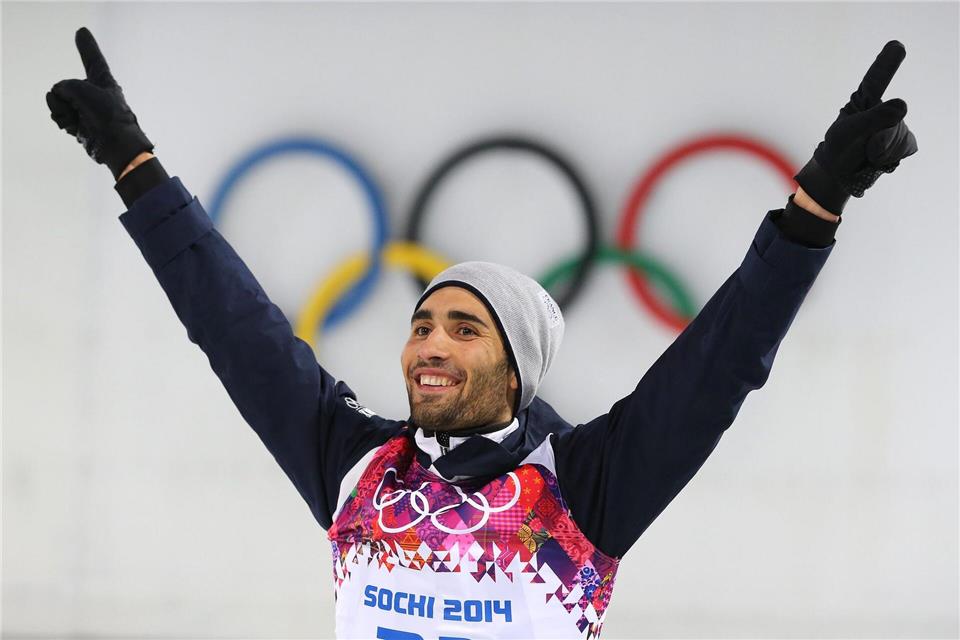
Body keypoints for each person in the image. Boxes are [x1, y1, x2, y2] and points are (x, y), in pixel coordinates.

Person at [47, 27, 917, 639]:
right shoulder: (353, 464)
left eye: (464, 328)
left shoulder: (585, 486)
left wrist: (814, 207)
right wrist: (136, 168)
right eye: (422, 322)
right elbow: (233, 327)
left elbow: (723, 362)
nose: (429, 343)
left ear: (516, 369)